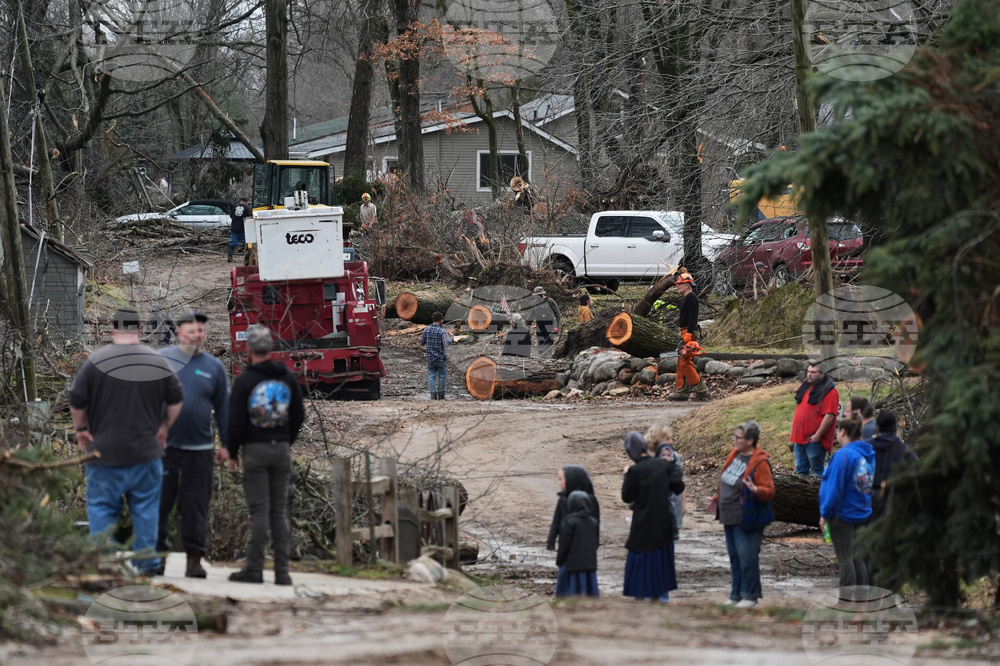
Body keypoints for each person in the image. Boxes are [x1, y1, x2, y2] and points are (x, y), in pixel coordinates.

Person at [69, 307, 184, 576]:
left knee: (101, 508)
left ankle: (106, 565)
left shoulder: (96, 361)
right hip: (145, 453)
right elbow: (177, 400)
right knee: (145, 510)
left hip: (104, 454)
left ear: (113, 330)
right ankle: (146, 566)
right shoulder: (156, 361)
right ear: (139, 330)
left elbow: (76, 401)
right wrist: (164, 427)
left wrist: (82, 430)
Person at [220, 325, 305, 585]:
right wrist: (284, 441)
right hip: (280, 450)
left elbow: (235, 421)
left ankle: (254, 569)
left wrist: (232, 452)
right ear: (270, 348)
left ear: (249, 350)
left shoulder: (245, 381)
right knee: (279, 512)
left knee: (259, 512)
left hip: (255, 451)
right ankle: (282, 572)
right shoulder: (287, 377)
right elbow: (299, 415)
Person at [156, 310, 230, 578]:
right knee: (159, 503)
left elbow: (223, 409)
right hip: (163, 449)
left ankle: (194, 559)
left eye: (201, 331)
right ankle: (157, 557)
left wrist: (227, 445)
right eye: (192, 331)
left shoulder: (214, 368)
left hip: (200, 449)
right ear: (180, 333)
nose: (197, 335)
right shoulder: (162, 361)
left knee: (196, 504)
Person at [708, 420, 775, 608]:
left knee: (747, 557)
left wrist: (756, 490)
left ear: (750, 440)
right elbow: (729, 481)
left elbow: (769, 490)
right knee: (735, 557)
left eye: (739, 437)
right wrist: (717, 498)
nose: (735, 440)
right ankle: (736, 594)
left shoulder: (760, 461)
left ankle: (750, 596)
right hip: (729, 515)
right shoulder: (735, 454)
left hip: (747, 517)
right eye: (735, 436)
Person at [622, 431, 684, 603]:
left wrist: (627, 475)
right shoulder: (662, 465)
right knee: (659, 559)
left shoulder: (635, 471)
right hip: (663, 521)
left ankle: (640, 594)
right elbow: (678, 487)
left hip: (643, 522)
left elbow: (627, 497)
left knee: (641, 559)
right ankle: (658, 595)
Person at [819, 416, 875, 599]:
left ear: (843, 432)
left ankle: (845, 600)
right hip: (863, 511)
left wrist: (825, 513)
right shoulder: (867, 454)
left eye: (837, 431)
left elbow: (834, 487)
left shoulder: (843, 455)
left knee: (845, 557)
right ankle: (862, 599)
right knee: (858, 557)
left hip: (843, 513)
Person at [790, 362, 839, 476]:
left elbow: (830, 415)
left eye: (813, 372)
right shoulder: (806, 386)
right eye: (808, 372)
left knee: (817, 472)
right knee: (801, 472)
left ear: (822, 374)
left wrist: (818, 435)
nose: (809, 375)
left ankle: (820, 494)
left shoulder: (830, 391)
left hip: (814, 440)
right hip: (799, 439)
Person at [668, 272, 710, 401]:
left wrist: (688, 333)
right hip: (685, 331)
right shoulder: (687, 298)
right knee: (681, 363)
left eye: (680, 284)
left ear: (687, 284)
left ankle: (702, 391)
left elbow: (693, 317)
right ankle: (682, 392)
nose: (677, 287)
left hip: (689, 332)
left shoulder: (691, 298)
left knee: (685, 362)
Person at [870, 411, 917, 521]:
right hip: (896, 503)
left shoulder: (865, 448)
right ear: (896, 428)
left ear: (877, 427)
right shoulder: (905, 451)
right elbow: (915, 475)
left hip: (868, 502)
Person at [555, 490, 600, 598]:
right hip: (589, 564)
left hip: (574, 565)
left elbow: (564, 545)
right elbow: (594, 543)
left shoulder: (569, 522)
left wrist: (559, 560)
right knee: (590, 594)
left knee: (573, 593)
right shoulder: (593, 522)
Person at [646, 424, 686, 541]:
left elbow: (680, 481)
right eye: (668, 439)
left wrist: (683, 503)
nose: (672, 442)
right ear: (657, 440)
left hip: (672, 508)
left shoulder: (673, 456)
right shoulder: (646, 458)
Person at [546, 465, 600, 551]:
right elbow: (556, 521)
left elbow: (595, 524)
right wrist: (551, 541)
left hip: (584, 546)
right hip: (565, 544)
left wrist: (594, 543)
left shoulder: (589, 500)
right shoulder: (562, 499)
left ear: (572, 480)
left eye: (561, 479)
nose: (558, 483)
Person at [420, 311, 453, 400]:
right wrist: (452, 337)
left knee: (431, 376)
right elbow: (446, 344)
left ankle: (433, 395)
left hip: (430, 358)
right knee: (442, 376)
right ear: (441, 320)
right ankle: (441, 395)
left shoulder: (426, 330)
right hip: (441, 358)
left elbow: (421, 343)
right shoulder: (442, 331)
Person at [529, 286, 560, 355]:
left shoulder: (550, 301)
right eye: (536, 295)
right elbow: (531, 316)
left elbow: (557, 314)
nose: (537, 297)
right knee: (540, 343)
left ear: (542, 294)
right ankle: (541, 358)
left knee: (548, 344)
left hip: (550, 325)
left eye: (539, 295)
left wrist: (556, 326)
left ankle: (547, 358)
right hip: (539, 326)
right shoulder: (534, 303)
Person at [229, 196, 250, 263]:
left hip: (234, 228)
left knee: (233, 243)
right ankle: (247, 259)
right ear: (247, 202)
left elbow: (231, 216)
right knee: (246, 244)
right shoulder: (247, 208)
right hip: (242, 229)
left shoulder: (235, 207)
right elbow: (248, 218)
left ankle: (229, 257)